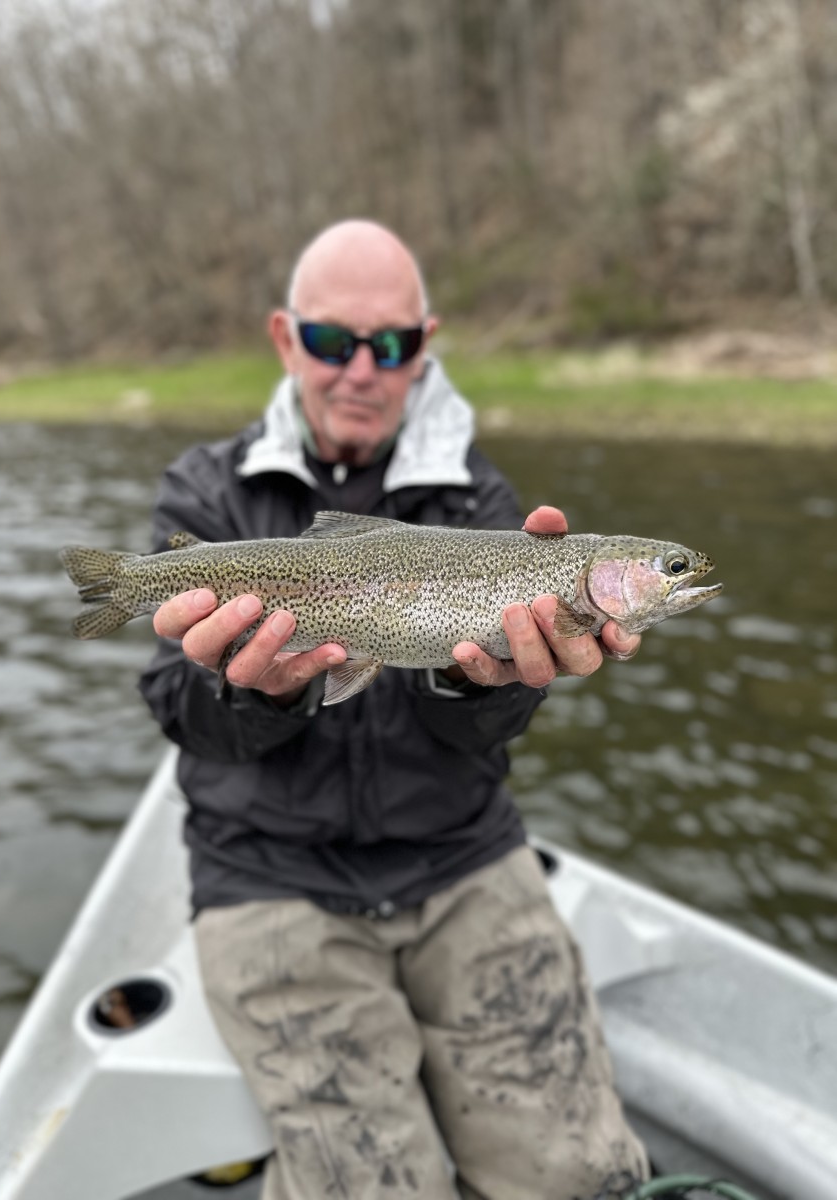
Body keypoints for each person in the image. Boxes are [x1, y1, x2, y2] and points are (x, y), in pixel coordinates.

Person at [139, 220, 649, 1200]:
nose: (363, 370)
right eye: (335, 342)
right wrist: (253, 689)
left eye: (394, 344)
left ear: (427, 345)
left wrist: (487, 680)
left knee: (584, 1178)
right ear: (287, 340)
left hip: (462, 854)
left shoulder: (485, 505)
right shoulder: (207, 493)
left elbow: (486, 732)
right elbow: (173, 704)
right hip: (268, 876)